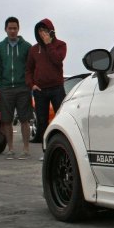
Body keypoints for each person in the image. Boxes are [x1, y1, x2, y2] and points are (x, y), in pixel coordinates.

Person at [0, 17, 33, 160]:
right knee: (7, 120)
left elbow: (30, 67)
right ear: (5, 29)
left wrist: (29, 84)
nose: (12, 31)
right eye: (10, 28)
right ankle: (10, 149)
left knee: (25, 119)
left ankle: (26, 149)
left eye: (15, 28)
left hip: (23, 87)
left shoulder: (27, 46)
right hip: (5, 88)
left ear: (18, 29)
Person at [26, 18, 67, 146]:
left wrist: (49, 44)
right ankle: (45, 148)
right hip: (40, 90)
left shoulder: (61, 44)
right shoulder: (33, 49)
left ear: (51, 30)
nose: (42, 33)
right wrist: (32, 85)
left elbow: (57, 60)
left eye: (44, 30)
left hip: (57, 88)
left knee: (61, 117)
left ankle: (62, 144)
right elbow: (28, 70)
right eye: (39, 30)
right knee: (42, 121)